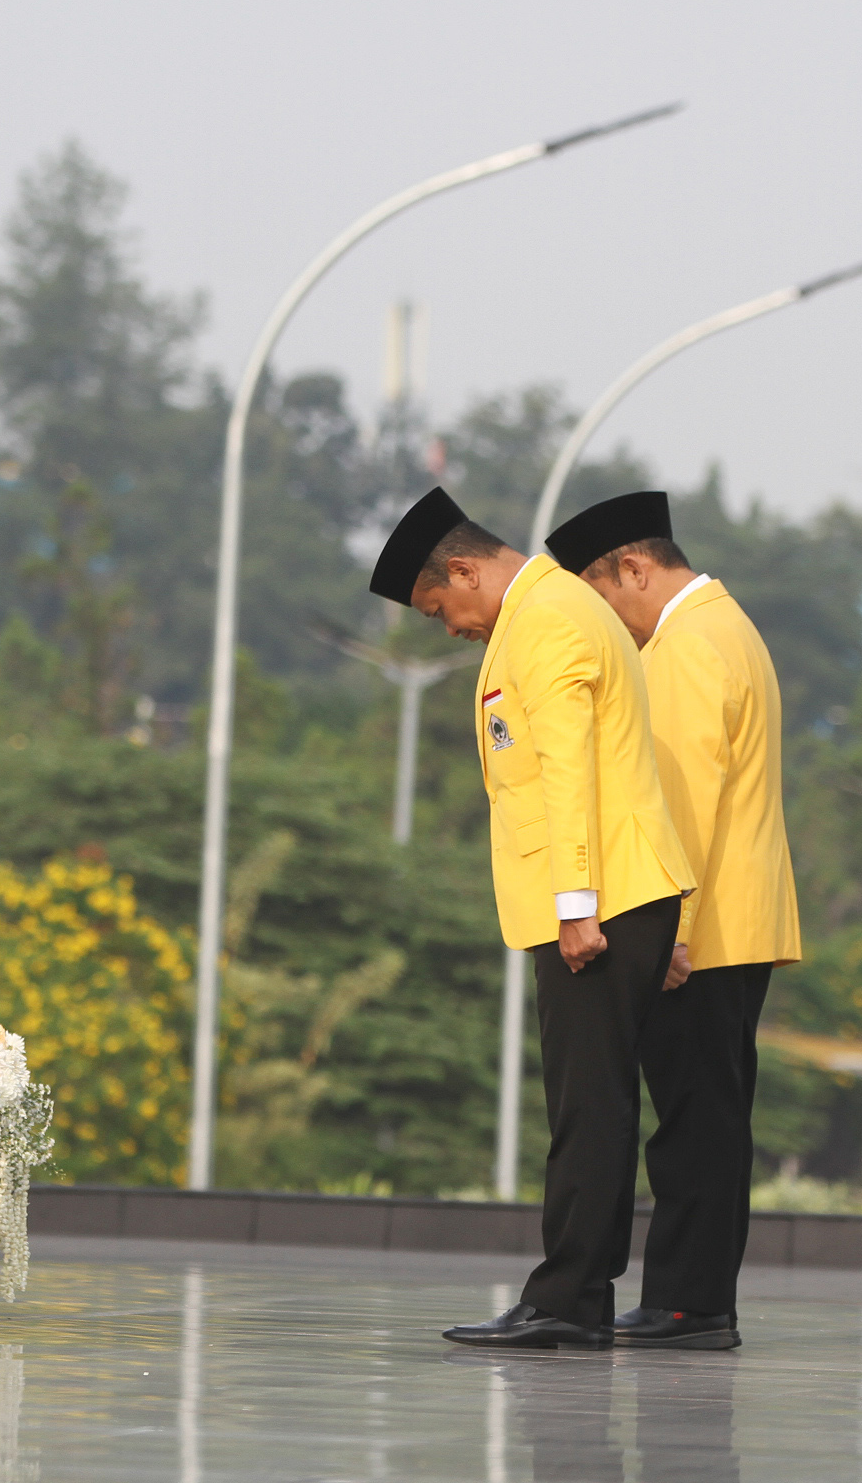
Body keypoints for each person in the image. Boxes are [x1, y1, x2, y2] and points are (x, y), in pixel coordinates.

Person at [367, 487, 696, 1349]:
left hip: (604, 898)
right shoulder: (545, 611)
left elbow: (568, 771)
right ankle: (576, 1295)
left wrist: (576, 906)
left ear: (465, 570)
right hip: (618, 891)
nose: (449, 628)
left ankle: (568, 1300)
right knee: (594, 1102)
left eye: (440, 607)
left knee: (588, 1106)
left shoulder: (547, 619)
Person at [547, 490, 801, 1351]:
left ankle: (689, 1303)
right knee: (712, 1116)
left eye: (601, 596)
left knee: (693, 1123)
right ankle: (697, 1300)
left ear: (634, 568)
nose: (606, 622)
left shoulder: (686, 646)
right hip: (737, 917)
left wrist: (670, 930)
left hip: (703, 927)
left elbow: (682, 800)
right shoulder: (728, 627)